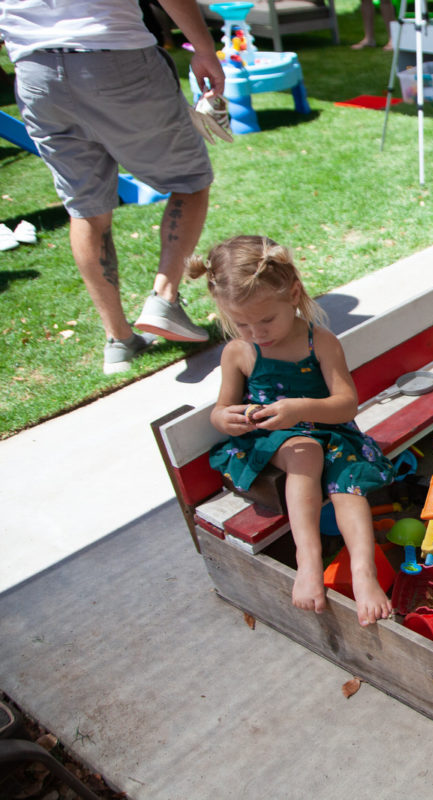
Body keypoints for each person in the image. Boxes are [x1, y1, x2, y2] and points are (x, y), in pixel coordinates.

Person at [0, 0, 221, 375]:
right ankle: (164, 299)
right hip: (114, 55)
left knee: (85, 207)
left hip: (34, 71)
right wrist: (203, 48)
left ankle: (118, 340)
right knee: (190, 181)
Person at [193, 235, 396, 626]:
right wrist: (226, 419)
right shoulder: (238, 352)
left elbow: (346, 405)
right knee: (306, 451)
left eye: (266, 320)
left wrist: (298, 409)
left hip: (331, 432)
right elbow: (222, 409)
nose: (257, 332)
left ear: (294, 294)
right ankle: (308, 560)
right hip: (273, 440)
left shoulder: (318, 342)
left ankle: (364, 572)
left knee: (347, 484)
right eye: (242, 324)